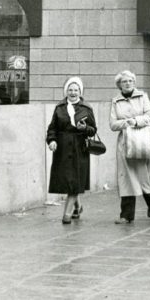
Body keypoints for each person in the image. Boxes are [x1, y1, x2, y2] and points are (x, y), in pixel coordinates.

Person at [46, 77, 97, 224]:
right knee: (68, 180)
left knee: (75, 181)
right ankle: (78, 207)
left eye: (76, 90)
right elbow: (52, 128)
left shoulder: (86, 108)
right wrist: (52, 140)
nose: (73, 92)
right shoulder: (59, 108)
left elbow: (93, 130)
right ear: (66, 91)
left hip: (79, 148)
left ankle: (66, 215)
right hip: (62, 148)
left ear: (80, 92)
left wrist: (84, 128)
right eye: (70, 89)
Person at [110, 70, 150, 224]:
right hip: (125, 143)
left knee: (144, 176)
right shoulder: (115, 101)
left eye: (130, 80)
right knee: (127, 178)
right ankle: (126, 215)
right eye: (124, 81)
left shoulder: (143, 97)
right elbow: (112, 124)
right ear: (119, 85)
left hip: (142, 140)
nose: (128, 83)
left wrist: (136, 121)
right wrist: (126, 123)